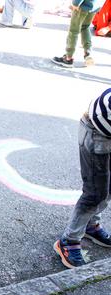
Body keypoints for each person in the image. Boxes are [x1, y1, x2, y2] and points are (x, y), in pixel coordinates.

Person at [54, 88, 111, 268]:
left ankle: (90, 225)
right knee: (95, 193)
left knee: (108, 188)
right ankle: (68, 241)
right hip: (97, 130)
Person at [51, 0, 105, 67]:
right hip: (94, 6)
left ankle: (68, 58)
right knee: (85, 27)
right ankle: (88, 53)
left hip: (83, 5)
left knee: (73, 31)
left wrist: (75, 3)